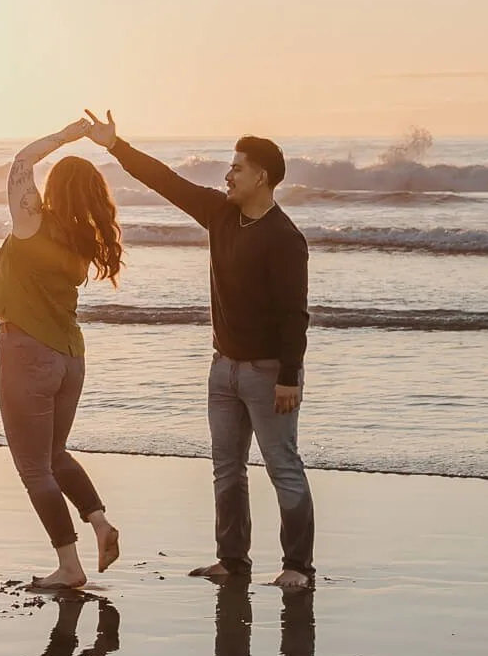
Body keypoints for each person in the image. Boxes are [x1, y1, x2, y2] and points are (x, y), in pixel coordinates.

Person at [79, 111, 314, 592]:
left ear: (261, 176)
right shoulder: (221, 213)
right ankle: (232, 560)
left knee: (282, 466)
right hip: (222, 369)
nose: (227, 175)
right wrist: (115, 145)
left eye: (237, 168)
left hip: (271, 374)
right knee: (226, 468)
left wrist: (289, 375)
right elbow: (165, 180)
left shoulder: (285, 238)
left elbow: (295, 315)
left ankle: (298, 567)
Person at [0, 120, 127, 590]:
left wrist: (66, 135)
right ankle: (99, 523)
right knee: (55, 455)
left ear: (54, 188)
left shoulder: (34, 220)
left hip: (27, 355)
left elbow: (20, 163)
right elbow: (38, 281)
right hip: (69, 359)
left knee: (34, 467)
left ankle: (69, 566)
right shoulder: (81, 245)